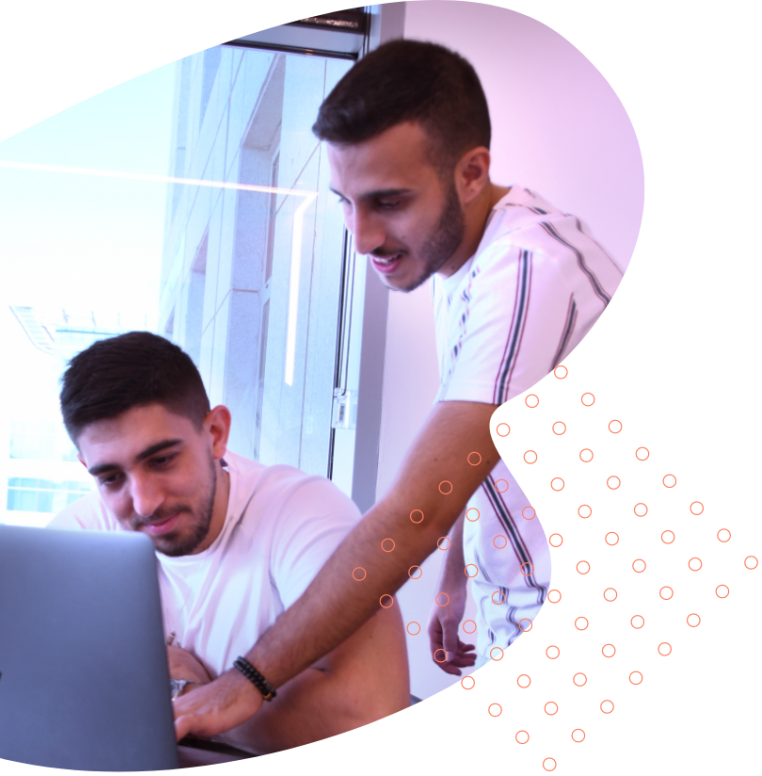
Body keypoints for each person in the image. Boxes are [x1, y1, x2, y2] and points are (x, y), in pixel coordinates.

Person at [172, 39, 623, 741]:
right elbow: (484, 450)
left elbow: (417, 509)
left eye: (389, 202)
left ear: (471, 172)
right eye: (347, 203)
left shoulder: (527, 269)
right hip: (510, 604)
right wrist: (459, 576)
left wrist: (246, 681)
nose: (363, 237)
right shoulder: (461, 258)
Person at [46, 331, 411, 756]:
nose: (144, 502)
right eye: (111, 477)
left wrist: (187, 692)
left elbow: (368, 713)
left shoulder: (301, 511)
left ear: (216, 433)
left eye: (162, 460)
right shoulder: (81, 534)